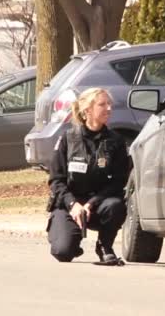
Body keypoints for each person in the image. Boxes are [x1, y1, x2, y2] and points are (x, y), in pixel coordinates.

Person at [46, 87, 130, 265]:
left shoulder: (115, 141)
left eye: (109, 104)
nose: (108, 108)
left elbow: (118, 182)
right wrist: (73, 204)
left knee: (115, 205)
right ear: (87, 110)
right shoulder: (68, 139)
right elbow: (56, 180)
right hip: (70, 204)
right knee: (63, 252)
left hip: (100, 204)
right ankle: (71, 239)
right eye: (102, 104)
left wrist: (91, 203)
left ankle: (105, 246)